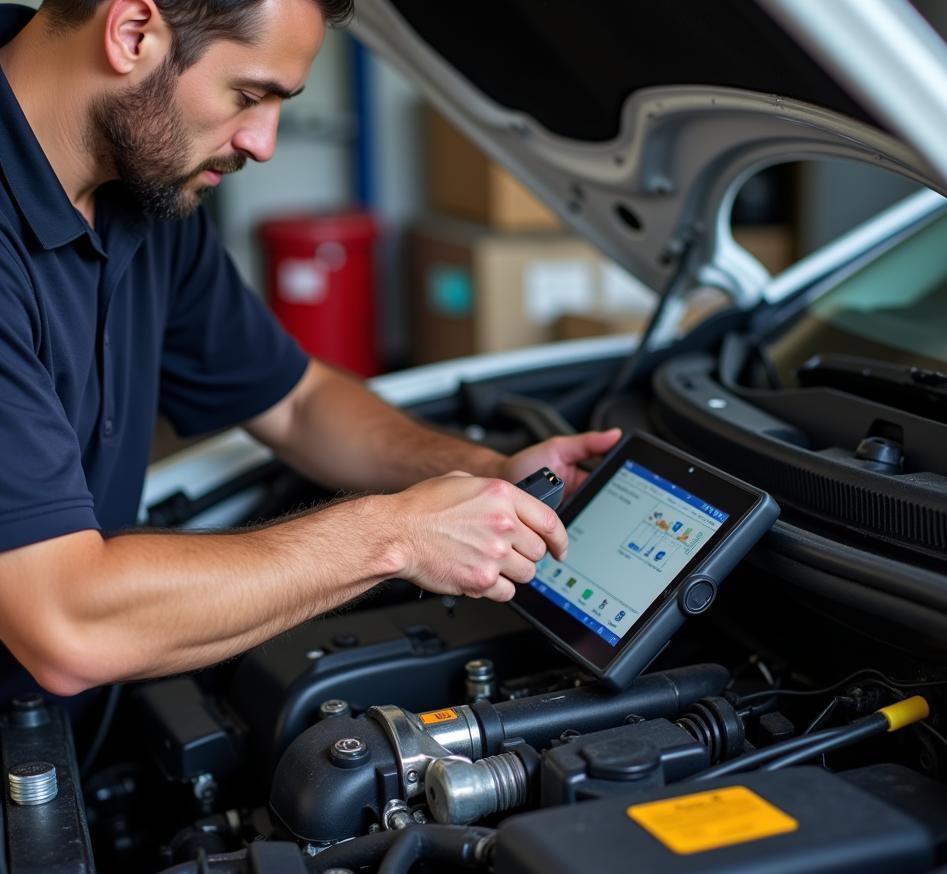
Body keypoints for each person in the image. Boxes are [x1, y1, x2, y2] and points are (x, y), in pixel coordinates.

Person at [0, 0, 621, 702]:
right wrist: (398, 536)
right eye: (249, 96)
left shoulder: (138, 182)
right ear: (132, 32)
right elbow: (67, 625)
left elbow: (295, 402)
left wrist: (490, 474)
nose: (263, 142)